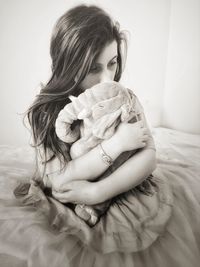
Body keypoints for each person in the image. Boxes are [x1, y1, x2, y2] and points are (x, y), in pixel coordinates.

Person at [0, 4, 200, 267]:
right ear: (69, 66)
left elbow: (149, 156)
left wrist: (97, 192)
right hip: (70, 195)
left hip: (120, 185)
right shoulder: (47, 112)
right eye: (94, 68)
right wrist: (116, 145)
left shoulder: (122, 97)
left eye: (112, 63)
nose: (107, 78)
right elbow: (59, 179)